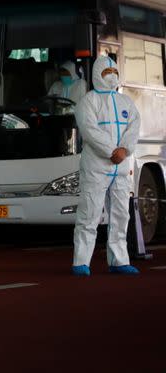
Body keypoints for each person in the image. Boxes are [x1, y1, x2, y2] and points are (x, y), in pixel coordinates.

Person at [72, 55, 141, 276]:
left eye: (114, 73)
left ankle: (119, 261)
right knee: (89, 214)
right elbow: (90, 131)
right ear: (96, 75)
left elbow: (134, 127)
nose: (111, 77)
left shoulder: (126, 102)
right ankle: (81, 262)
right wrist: (112, 151)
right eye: (106, 73)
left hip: (120, 169)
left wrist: (125, 150)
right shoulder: (88, 101)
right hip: (96, 167)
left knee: (121, 215)